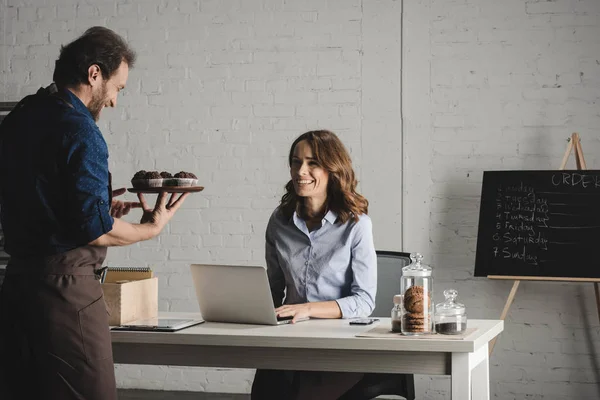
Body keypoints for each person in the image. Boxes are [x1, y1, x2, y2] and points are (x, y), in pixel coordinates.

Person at [0, 27, 188, 400]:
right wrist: (149, 228)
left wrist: (95, 202)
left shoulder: (20, 117)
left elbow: (36, 198)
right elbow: (93, 230)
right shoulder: (81, 130)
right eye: (118, 88)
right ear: (94, 74)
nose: (115, 101)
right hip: (65, 297)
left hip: (17, 289)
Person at [251, 130, 377, 400]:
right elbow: (272, 290)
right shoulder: (279, 221)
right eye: (296, 162)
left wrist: (308, 309)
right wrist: (248, 309)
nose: (301, 171)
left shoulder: (357, 226)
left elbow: (365, 301)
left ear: (333, 169)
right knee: (265, 392)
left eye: (312, 163)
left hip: (340, 342)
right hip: (289, 337)